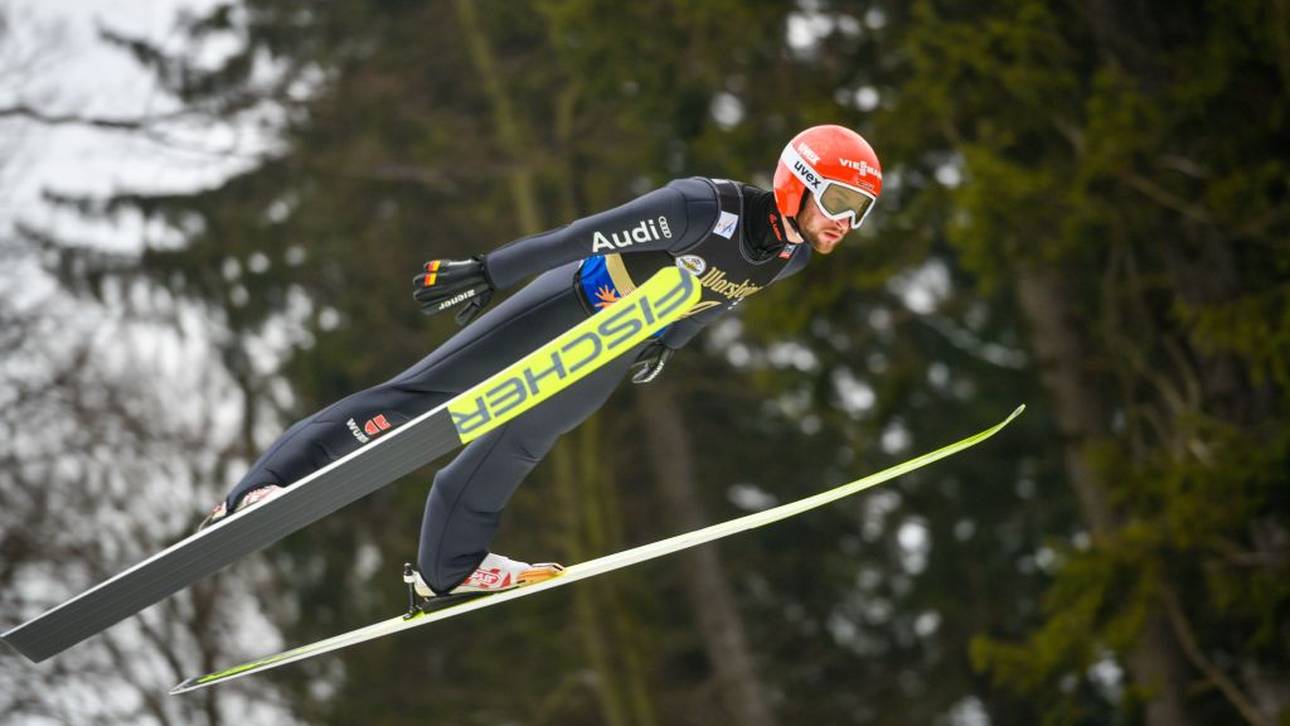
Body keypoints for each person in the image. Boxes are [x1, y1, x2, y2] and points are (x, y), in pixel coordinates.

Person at [198, 124, 882, 598]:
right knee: (423, 399)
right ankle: (259, 491)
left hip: (610, 347)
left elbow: (717, 299)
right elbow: (580, 236)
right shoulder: (702, 209)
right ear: (797, 182)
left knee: (520, 442)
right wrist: (490, 271)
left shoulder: (789, 257)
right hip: (571, 305)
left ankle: (448, 571)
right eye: (841, 202)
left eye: (862, 212)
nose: (847, 224)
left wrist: (661, 345)